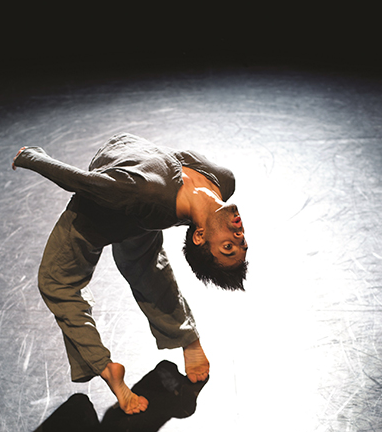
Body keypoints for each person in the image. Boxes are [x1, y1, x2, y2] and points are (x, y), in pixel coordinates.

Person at [12, 133, 247, 415]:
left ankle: (108, 369)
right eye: (241, 243)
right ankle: (187, 340)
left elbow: (83, 184)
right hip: (134, 190)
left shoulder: (141, 194)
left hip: (99, 214)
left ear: (199, 236)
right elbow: (171, 159)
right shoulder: (224, 181)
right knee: (147, 270)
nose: (238, 234)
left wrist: (33, 156)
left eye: (228, 246)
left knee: (56, 282)